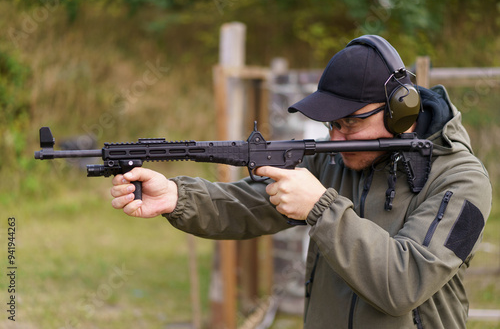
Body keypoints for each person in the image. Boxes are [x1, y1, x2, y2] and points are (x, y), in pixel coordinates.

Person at [110, 35, 491, 328]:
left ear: (399, 109)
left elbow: (405, 283)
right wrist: (177, 197)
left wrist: (321, 209)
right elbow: (249, 206)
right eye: (332, 125)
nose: (336, 139)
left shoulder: (463, 182)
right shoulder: (337, 158)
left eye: (350, 123)